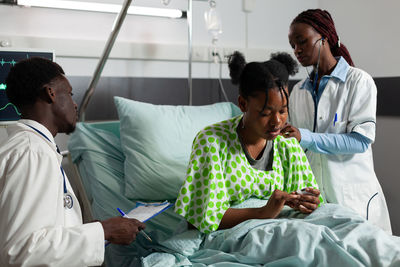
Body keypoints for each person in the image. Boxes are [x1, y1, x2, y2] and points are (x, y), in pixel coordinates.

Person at [0, 57, 146, 266]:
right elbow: (23, 252)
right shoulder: (33, 154)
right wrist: (103, 231)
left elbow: (42, 231)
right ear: (50, 93)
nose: (75, 103)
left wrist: (95, 230)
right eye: (69, 94)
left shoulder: (33, 148)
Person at [175, 52, 322, 234]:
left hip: (285, 228)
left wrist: (308, 202)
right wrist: (263, 212)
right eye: (266, 113)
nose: (277, 121)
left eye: (283, 111)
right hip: (234, 235)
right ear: (243, 104)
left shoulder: (287, 144)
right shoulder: (211, 142)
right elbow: (198, 220)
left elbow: (303, 202)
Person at [284, 8, 391, 233]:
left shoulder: (359, 82)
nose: (297, 50)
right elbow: (296, 149)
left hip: (353, 198)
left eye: (302, 41)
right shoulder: (298, 92)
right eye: (293, 45)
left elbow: (359, 142)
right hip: (314, 199)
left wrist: (305, 137)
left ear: (324, 37)